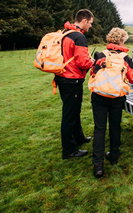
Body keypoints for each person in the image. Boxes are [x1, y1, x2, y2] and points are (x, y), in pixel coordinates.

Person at [90, 27, 133, 178]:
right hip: (116, 97)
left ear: (110, 39)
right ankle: (114, 156)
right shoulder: (125, 59)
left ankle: (98, 166)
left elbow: (92, 72)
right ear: (122, 40)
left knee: (99, 129)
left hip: (99, 96)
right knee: (115, 126)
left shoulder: (101, 55)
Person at [55, 9, 95, 159]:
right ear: (84, 21)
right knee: (69, 114)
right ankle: (69, 150)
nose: (90, 26)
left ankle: (79, 138)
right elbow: (83, 62)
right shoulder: (79, 37)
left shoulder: (66, 33)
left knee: (74, 111)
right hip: (72, 79)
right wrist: (94, 61)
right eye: (90, 23)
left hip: (62, 77)